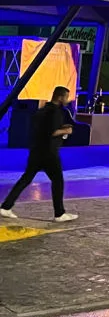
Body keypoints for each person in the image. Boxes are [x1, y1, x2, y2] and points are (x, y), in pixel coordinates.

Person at [1, 86, 78, 222]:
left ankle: (6, 207)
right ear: (60, 97)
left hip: (36, 150)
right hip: (49, 152)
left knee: (26, 178)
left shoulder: (41, 111)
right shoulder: (55, 112)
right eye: (66, 97)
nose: (67, 100)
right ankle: (59, 214)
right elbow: (52, 132)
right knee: (57, 181)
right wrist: (66, 131)